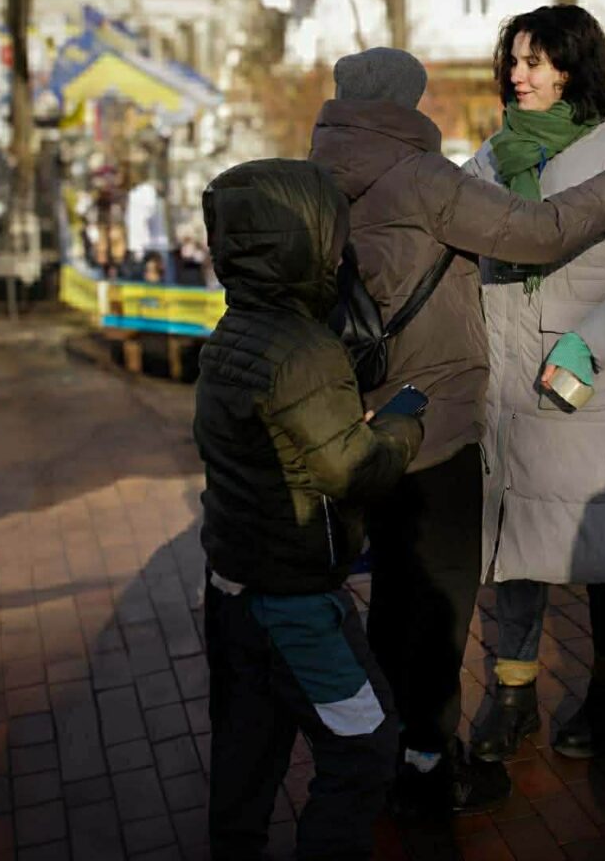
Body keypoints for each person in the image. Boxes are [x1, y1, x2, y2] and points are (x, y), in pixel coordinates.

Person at [307, 46, 605, 818]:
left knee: (389, 597)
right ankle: (429, 765)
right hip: (434, 422)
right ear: (410, 98)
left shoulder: (314, 172)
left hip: (359, 414)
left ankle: (392, 743)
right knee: (432, 606)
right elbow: (536, 233)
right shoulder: (424, 175)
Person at [465, 4, 605, 763]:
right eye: (514, 62)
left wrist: (588, 346)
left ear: (572, 66)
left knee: (604, 547)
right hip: (505, 388)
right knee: (513, 544)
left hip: (584, 386)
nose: (519, 75)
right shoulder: (491, 159)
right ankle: (513, 694)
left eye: (536, 61)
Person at [194, 159, 425, 860]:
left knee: (248, 756)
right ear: (299, 244)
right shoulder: (303, 349)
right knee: (364, 747)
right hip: (294, 606)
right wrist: (404, 422)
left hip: (232, 587)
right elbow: (353, 471)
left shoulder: (231, 333)